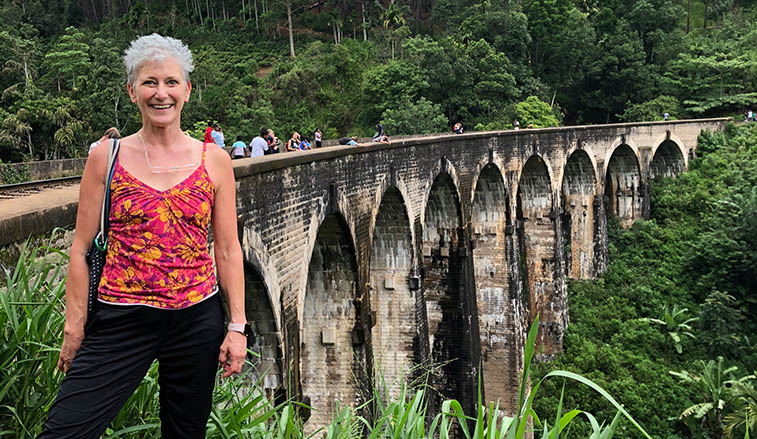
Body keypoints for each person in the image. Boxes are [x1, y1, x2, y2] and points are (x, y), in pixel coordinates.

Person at [40, 34, 247, 438]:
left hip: (196, 318)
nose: (161, 93)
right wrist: (74, 325)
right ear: (132, 91)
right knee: (65, 431)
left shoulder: (216, 161)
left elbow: (226, 248)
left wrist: (237, 326)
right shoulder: (106, 157)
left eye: (171, 82)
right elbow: (81, 249)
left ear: (187, 89)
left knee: (185, 433)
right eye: (150, 82)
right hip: (121, 317)